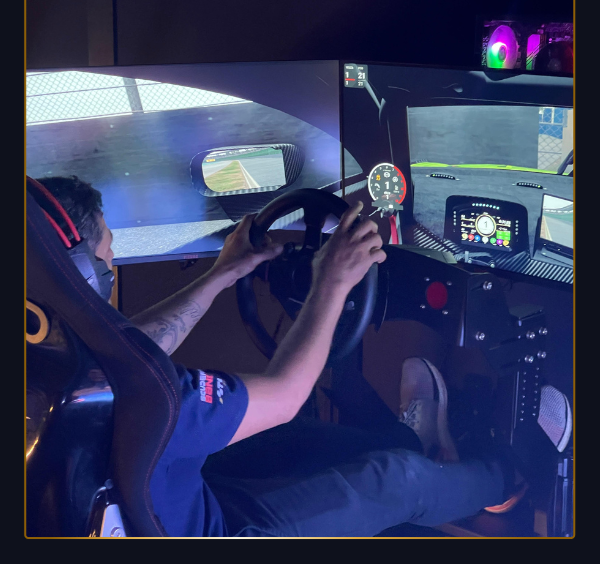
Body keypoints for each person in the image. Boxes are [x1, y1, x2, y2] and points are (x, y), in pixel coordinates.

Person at [35, 175, 566, 537]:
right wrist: (331, 282)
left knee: (292, 438)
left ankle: (423, 448)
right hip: (211, 533)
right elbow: (286, 392)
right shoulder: (153, 399)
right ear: (81, 272)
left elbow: (131, 350)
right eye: (106, 252)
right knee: (392, 481)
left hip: (151, 495)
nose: (113, 260)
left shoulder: (47, 359)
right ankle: (509, 478)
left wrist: (225, 273)